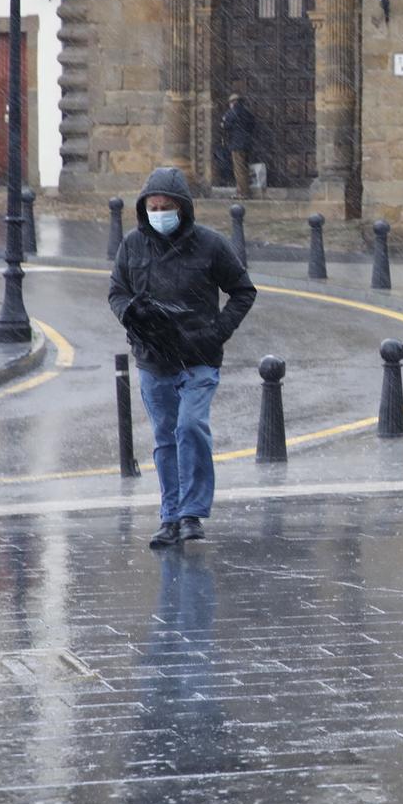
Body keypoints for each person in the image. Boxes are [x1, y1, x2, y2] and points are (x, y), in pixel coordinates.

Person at [107, 166, 257, 548]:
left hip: (199, 357)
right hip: (154, 358)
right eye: (153, 207)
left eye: (166, 206)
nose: (159, 213)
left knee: (190, 427)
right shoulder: (132, 246)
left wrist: (217, 332)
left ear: (182, 208)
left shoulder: (210, 245)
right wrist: (130, 314)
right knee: (165, 438)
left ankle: (193, 512)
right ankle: (170, 515)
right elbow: (116, 291)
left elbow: (243, 290)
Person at [218, 93, 260, 198]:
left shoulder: (232, 112)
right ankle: (241, 190)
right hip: (247, 143)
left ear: (232, 102)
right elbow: (252, 125)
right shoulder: (247, 113)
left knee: (239, 169)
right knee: (244, 168)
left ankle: (243, 193)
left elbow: (225, 125)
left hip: (237, 144)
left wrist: (224, 123)